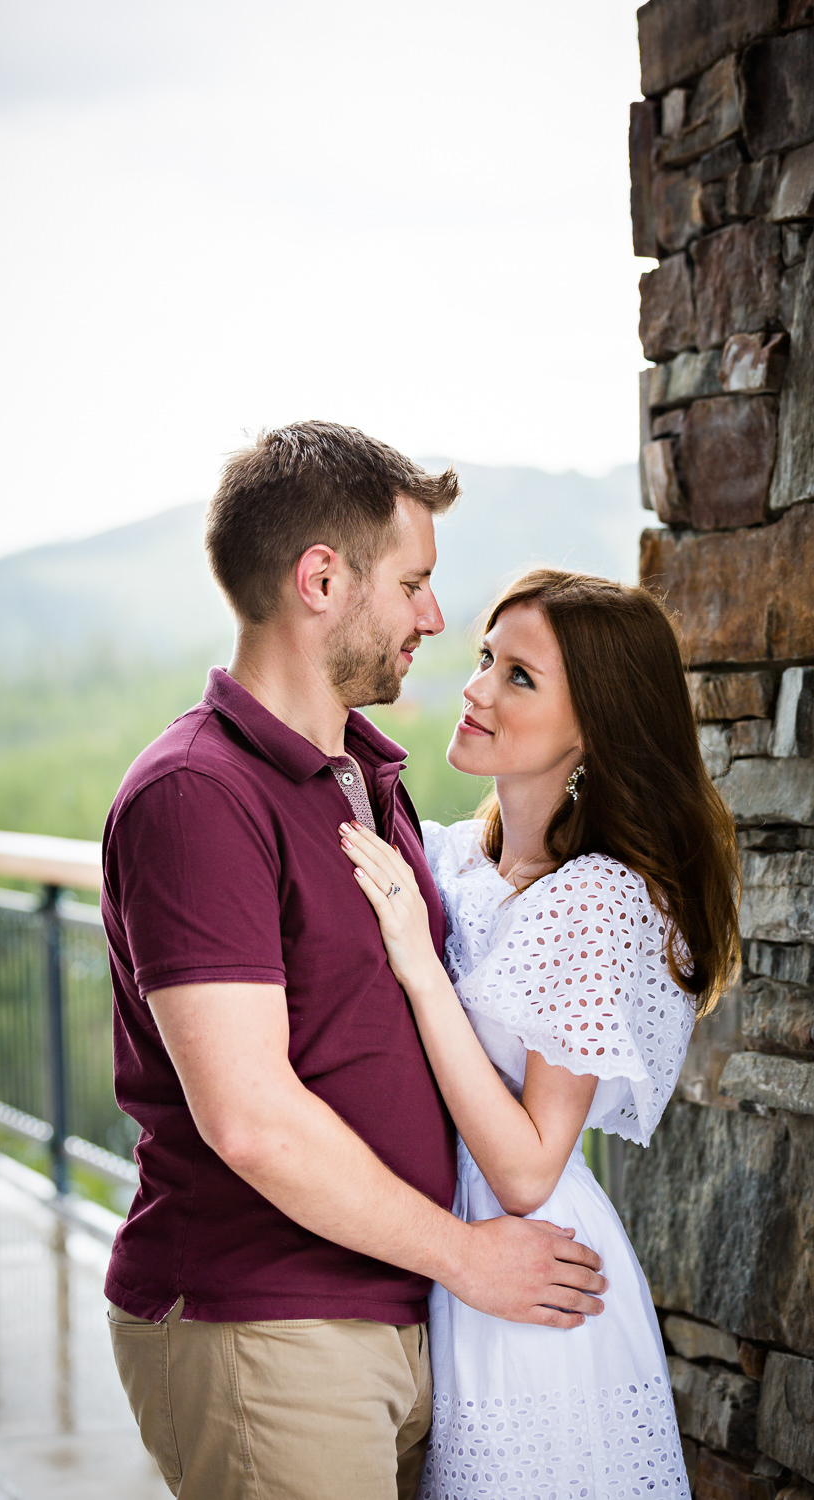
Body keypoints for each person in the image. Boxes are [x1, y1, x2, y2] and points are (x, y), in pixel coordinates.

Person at [100, 425, 607, 1500]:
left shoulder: (366, 781)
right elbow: (251, 1119)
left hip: (405, 1312)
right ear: (322, 580)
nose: (433, 616)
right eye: (414, 584)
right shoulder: (196, 796)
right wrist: (471, 1260)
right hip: (270, 1327)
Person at [337, 568, 741, 1499]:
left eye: (520, 677)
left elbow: (527, 1169)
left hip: (533, 1284)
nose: (476, 687)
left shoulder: (594, 899)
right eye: (486, 657)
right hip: (449, 1260)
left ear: (594, 727)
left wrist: (419, 964)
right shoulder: (453, 859)